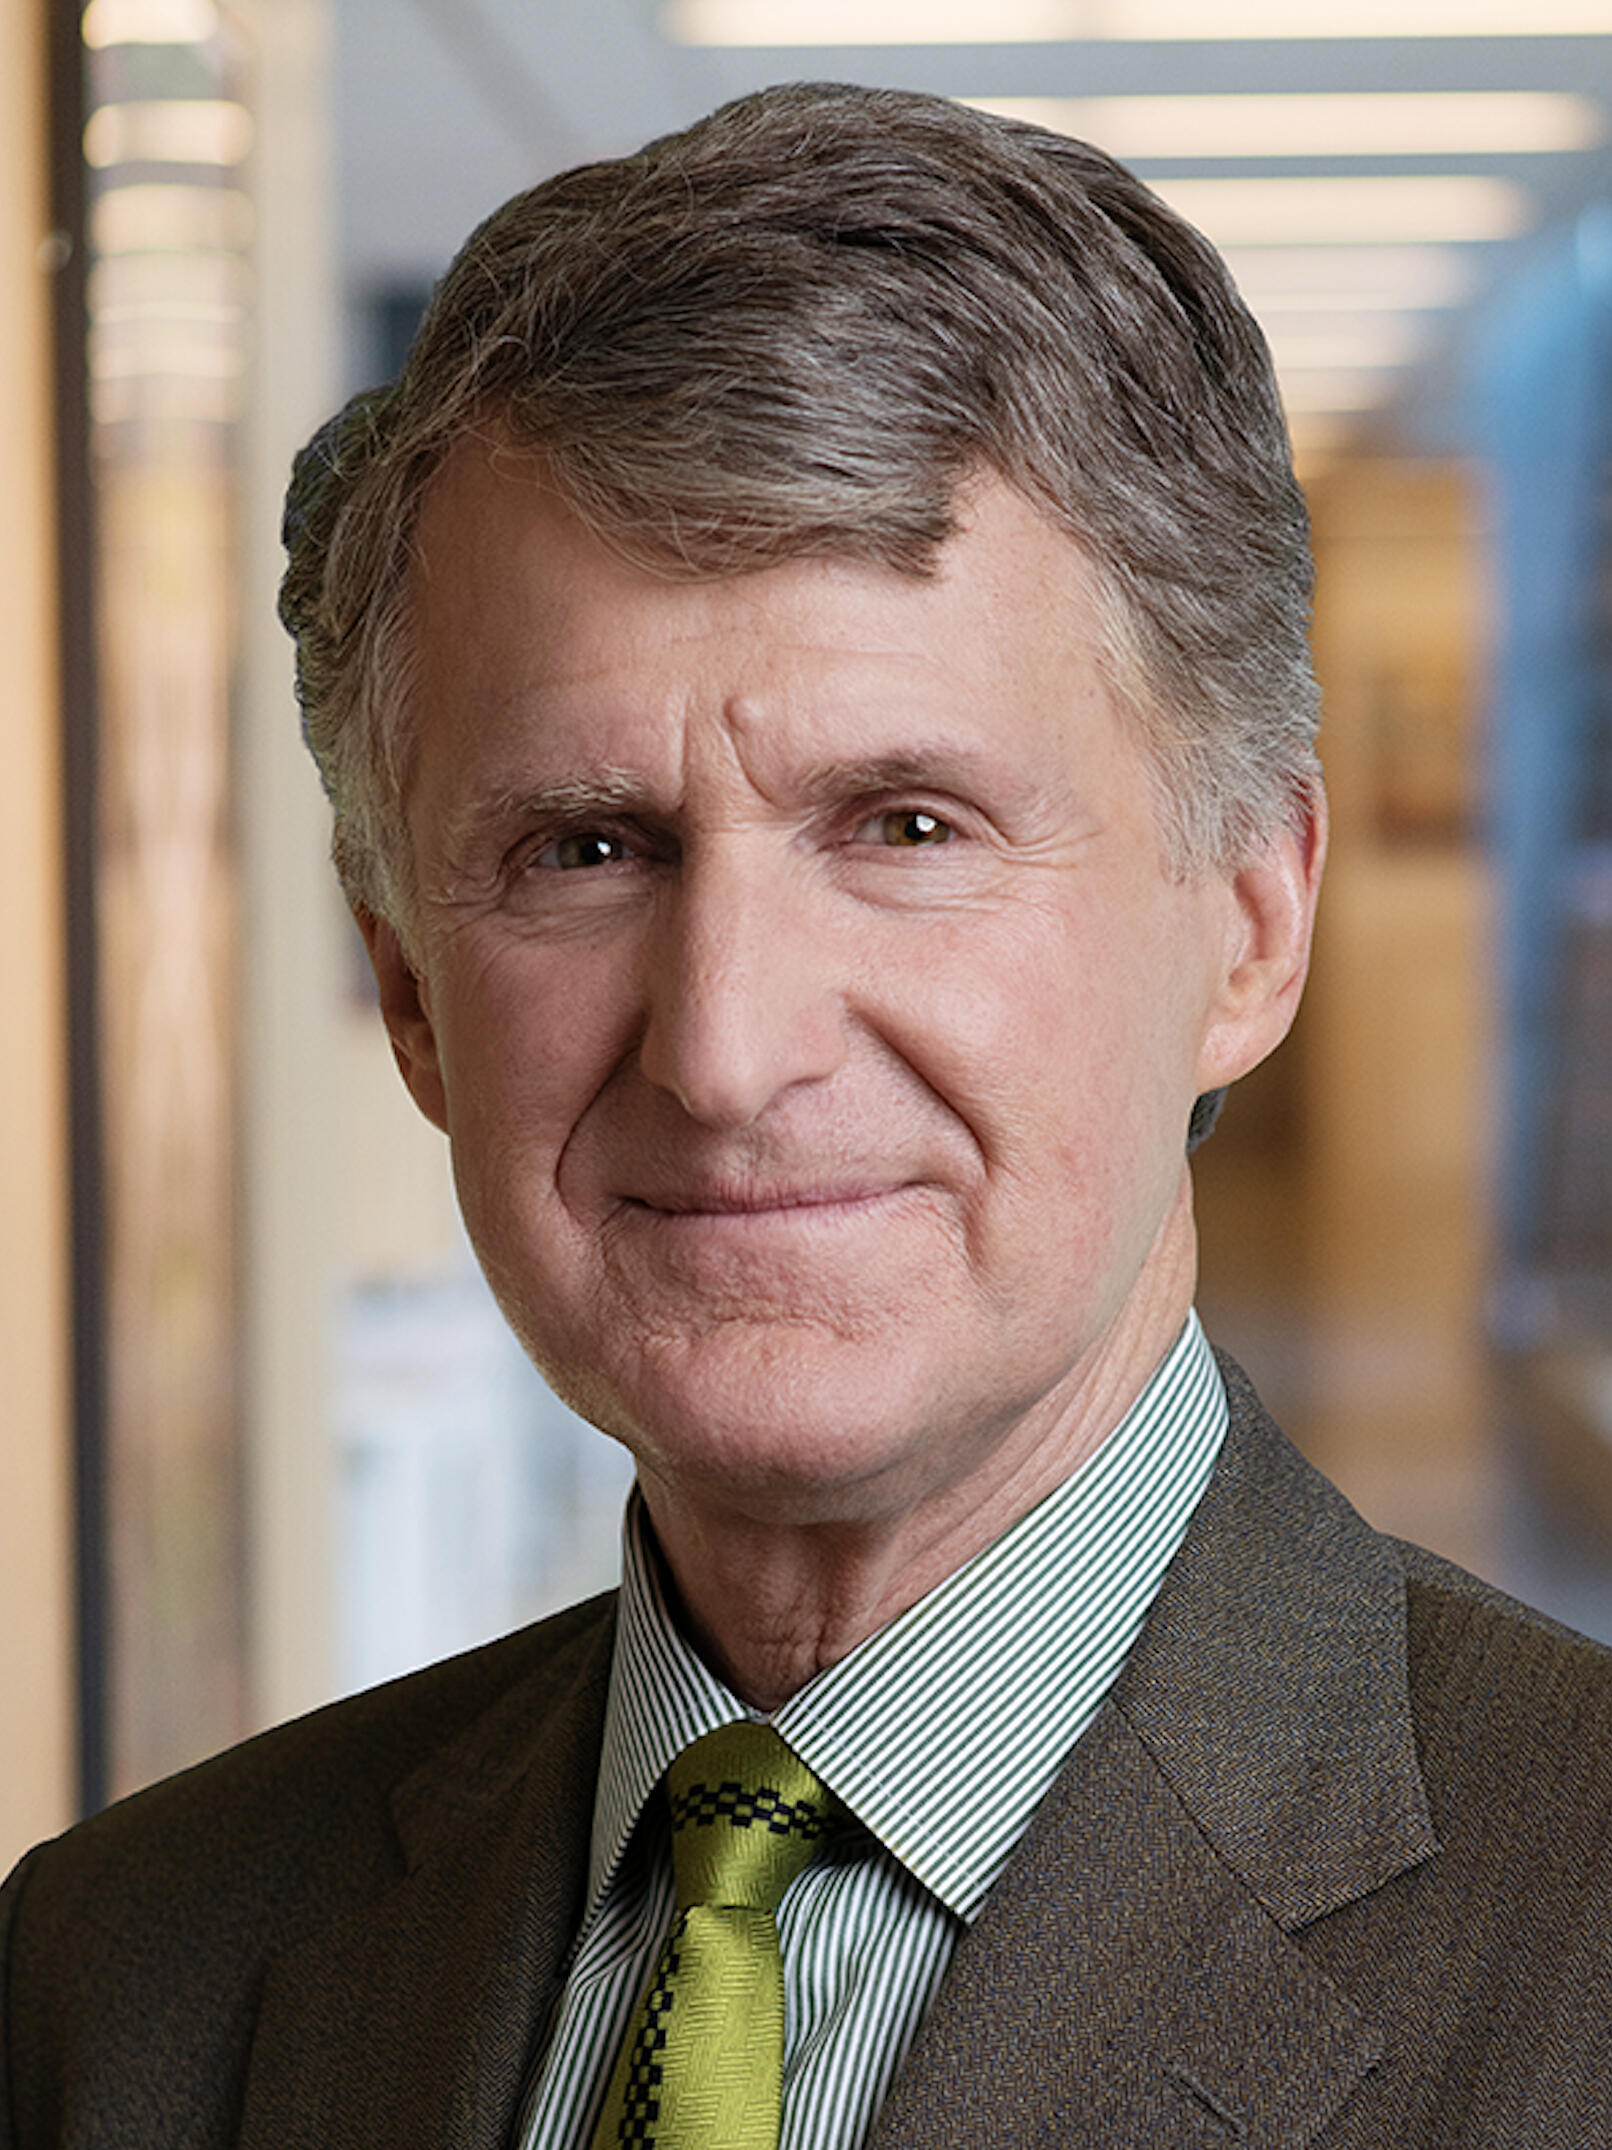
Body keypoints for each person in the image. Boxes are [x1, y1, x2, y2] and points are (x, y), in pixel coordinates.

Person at [4, 80, 1612, 2150]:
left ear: (1246, 923)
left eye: (906, 822)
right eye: (586, 847)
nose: (725, 1048)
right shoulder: (123, 1982)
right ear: (408, 992)